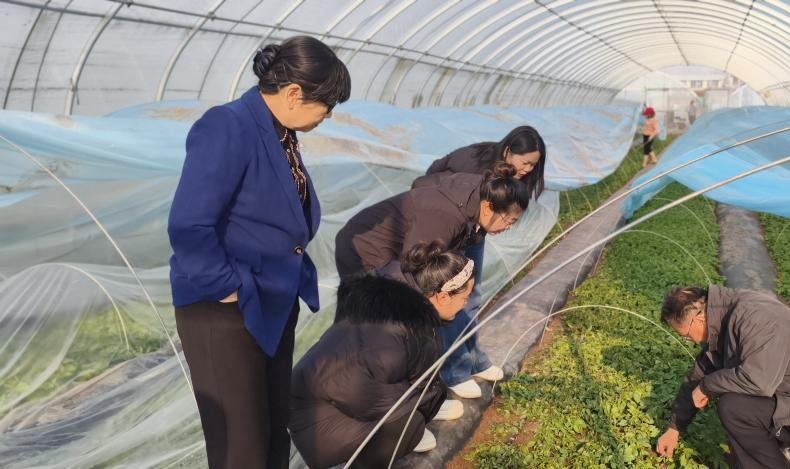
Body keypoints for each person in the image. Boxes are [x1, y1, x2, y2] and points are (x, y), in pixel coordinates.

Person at [167, 36, 349, 469]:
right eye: (327, 104)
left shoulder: (281, 133)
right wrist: (227, 288)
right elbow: (189, 224)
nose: (329, 115)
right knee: (240, 442)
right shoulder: (228, 126)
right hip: (224, 310)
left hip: (271, 300)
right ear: (294, 93)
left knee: (272, 428)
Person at [334, 163, 529, 399]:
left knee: (413, 319)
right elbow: (414, 268)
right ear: (489, 207)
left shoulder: (474, 206)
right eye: (509, 220)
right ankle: (406, 397)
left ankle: (419, 393)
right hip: (366, 251)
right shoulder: (446, 216)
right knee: (389, 324)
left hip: (401, 254)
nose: (508, 227)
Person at [289, 242, 475, 469]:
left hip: (330, 399)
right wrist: (413, 407)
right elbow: (351, 387)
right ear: (443, 297)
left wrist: (427, 397)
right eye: (464, 298)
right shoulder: (391, 329)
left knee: (414, 413)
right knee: (408, 427)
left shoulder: (403, 308)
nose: (465, 305)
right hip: (316, 418)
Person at [655, 285, 790, 468]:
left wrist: (707, 386)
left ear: (699, 319)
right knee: (733, 391)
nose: (690, 341)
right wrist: (674, 428)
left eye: (686, 336)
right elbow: (699, 374)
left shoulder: (756, 315)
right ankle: (781, 451)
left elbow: (758, 381)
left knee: (734, 408)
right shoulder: (722, 318)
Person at [415, 126, 547, 399]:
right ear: (508, 151)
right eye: (525, 163)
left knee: (471, 295)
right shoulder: (475, 167)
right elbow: (428, 178)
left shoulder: (504, 174)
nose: (527, 170)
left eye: (533, 166)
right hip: (451, 228)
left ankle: (475, 360)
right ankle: (454, 372)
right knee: (453, 296)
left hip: (475, 230)